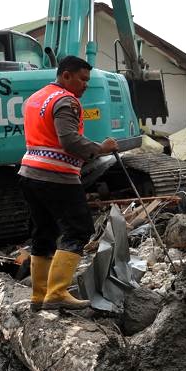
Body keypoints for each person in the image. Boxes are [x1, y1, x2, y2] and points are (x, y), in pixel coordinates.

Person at [18, 56, 118, 311]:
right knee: (78, 229)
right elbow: (69, 140)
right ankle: (57, 292)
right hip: (56, 176)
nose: (85, 85)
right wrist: (100, 148)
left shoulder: (36, 98)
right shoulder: (66, 101)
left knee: (44, 232)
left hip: (29, 173)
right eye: (82, 79)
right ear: (66, 76)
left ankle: (39, 295)